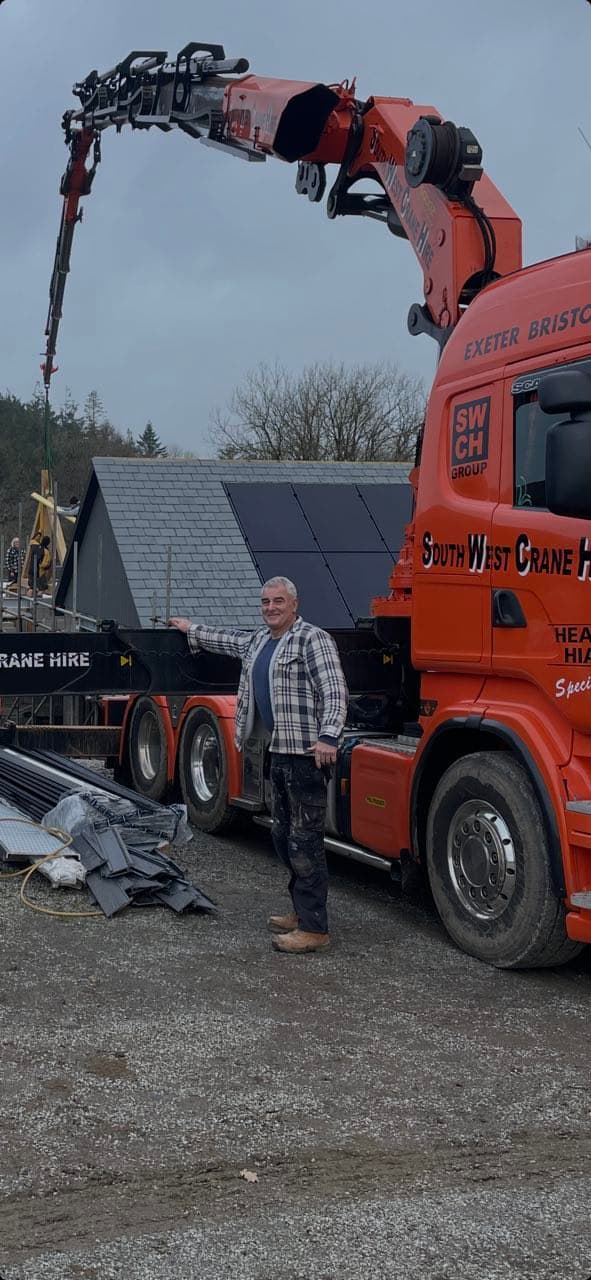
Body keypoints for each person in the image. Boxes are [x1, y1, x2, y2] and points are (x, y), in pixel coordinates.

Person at [170, 576, 348, 954]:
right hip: (277, 751)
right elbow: (227, 640)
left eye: (278, 601)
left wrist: (329, 736)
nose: (271, 608)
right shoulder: (259, 641)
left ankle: (315, 928)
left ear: (294, 604)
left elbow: (334, 690)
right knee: (282, 836)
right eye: (265, 602)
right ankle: (300, 912)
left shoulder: (312, 639)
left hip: (306, 755)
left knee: (304, 841)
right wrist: (191, 629)